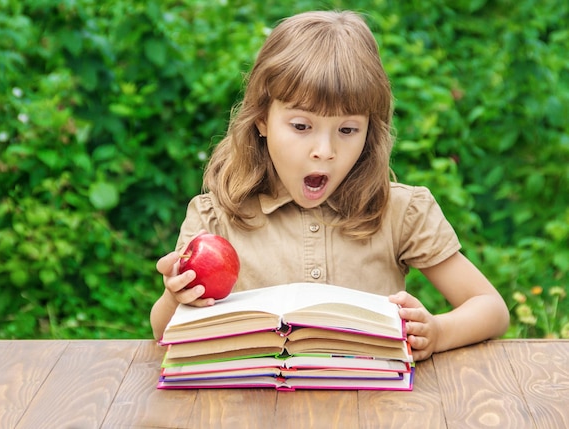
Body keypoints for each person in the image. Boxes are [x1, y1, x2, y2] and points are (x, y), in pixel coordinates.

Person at [150, 10, 509, 361]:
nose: (325, 152)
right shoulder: (216, 218)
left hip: (371, 410)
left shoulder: (401, 212)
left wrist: (438, 331)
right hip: (257, 408)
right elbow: (163, 331)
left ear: (370, 130)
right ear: (262, 119)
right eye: (302, 127)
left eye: (347, 130)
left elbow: (491, 308)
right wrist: (175, 296)